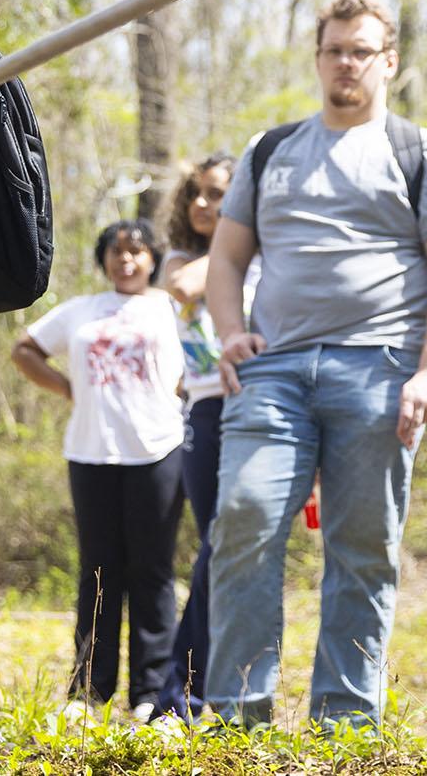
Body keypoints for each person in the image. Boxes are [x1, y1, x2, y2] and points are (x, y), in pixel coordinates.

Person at [204, 0, 427, 731]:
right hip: (274, 371)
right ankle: (235, 714)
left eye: (361, 50)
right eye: (334, 49)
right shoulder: (271, 149)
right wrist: (230, 330)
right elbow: (226, 258)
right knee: (243, 516)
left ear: (389, 62)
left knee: (362, 546)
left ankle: (344, 720)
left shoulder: (423, 152)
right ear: (318, 57)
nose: (346, 63)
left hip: (380, 370)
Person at [11, 220, 186, 722]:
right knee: (99, 572)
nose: (125, 260)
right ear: (102, 259)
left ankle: (153, 692)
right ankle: (88, 690)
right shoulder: (82, 310)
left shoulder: (169, 306)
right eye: (115, 251)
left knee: (152, 572)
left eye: (135, 251)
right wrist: (69, 389)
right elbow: (24, 349)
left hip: (158, 450)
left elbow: (202, 353)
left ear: (152, 257)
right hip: (91, 453)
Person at [150, 153, 237, 721]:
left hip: (265, 405)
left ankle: (196, 692)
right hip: (207, 413)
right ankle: (182, 694)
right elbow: (180, 286)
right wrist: (241, 235)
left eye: (219, 195)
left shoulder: (258, 256)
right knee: (216, 548)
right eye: (197, 194)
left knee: (230, 551)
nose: (204, 204)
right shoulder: (186, 258)